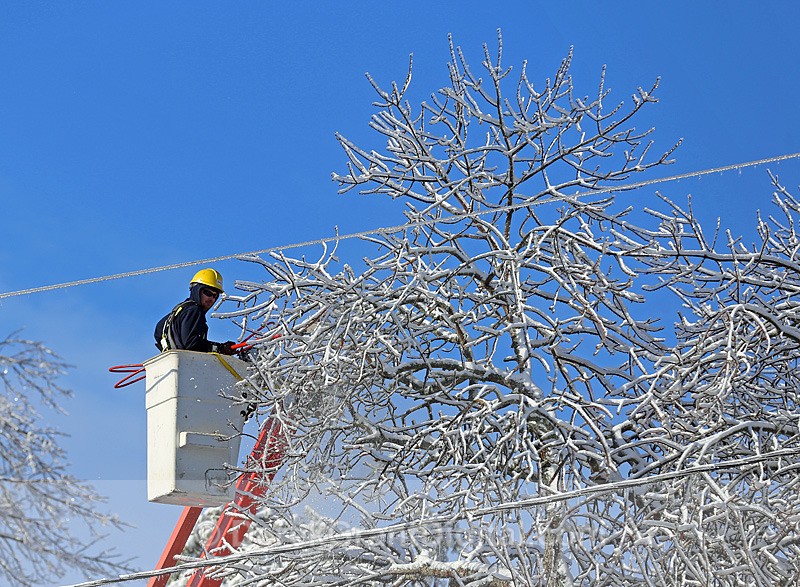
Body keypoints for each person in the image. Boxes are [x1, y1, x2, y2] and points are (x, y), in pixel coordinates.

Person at [154, 268, 236, 355]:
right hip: (186, 364)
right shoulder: (194, 310)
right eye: (208, 293)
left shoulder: (181, 309)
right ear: (197, 290)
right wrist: (220, 348)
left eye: (215, 296)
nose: (211, 299)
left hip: (174, 361)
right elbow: (192, 345)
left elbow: (159, 330)